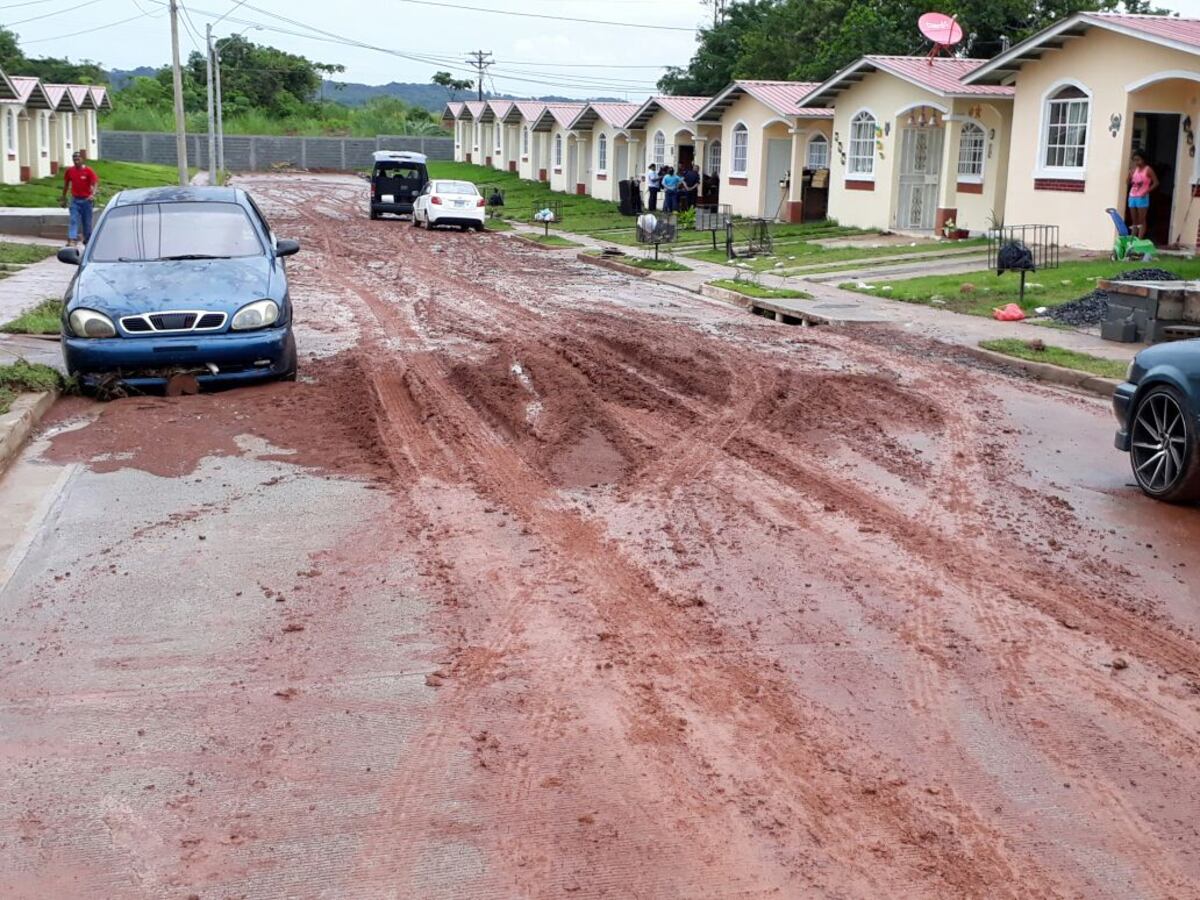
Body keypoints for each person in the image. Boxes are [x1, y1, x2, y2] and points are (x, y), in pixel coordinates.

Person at [60, 151, 98, 247]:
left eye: (78, 159)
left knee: (87, 223)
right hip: (75, 200)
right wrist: (63, 198)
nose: (76, 161)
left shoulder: (88, 171)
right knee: (73, 220)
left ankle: (88, 240)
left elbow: (95, 183)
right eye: (74, 159)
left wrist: (92, 194)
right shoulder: (70, 171)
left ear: (82, 159)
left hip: (86, 201)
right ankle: (72, 239)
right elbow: (66, 185)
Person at [1127, 149, 1158, 239]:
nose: (1137, 162)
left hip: (1142, 197)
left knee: (1142, 220)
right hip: (1132, 196)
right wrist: (1129, 175)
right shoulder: (1134, 170)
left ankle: (1139, 239)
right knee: (1134, 220)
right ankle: (1132, 238)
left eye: (1138, 160)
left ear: (1143, 159)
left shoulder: (1148, 170)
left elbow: (1156, 182)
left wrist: (1146, 191)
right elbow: (1128, 183)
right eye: (1135, 160)